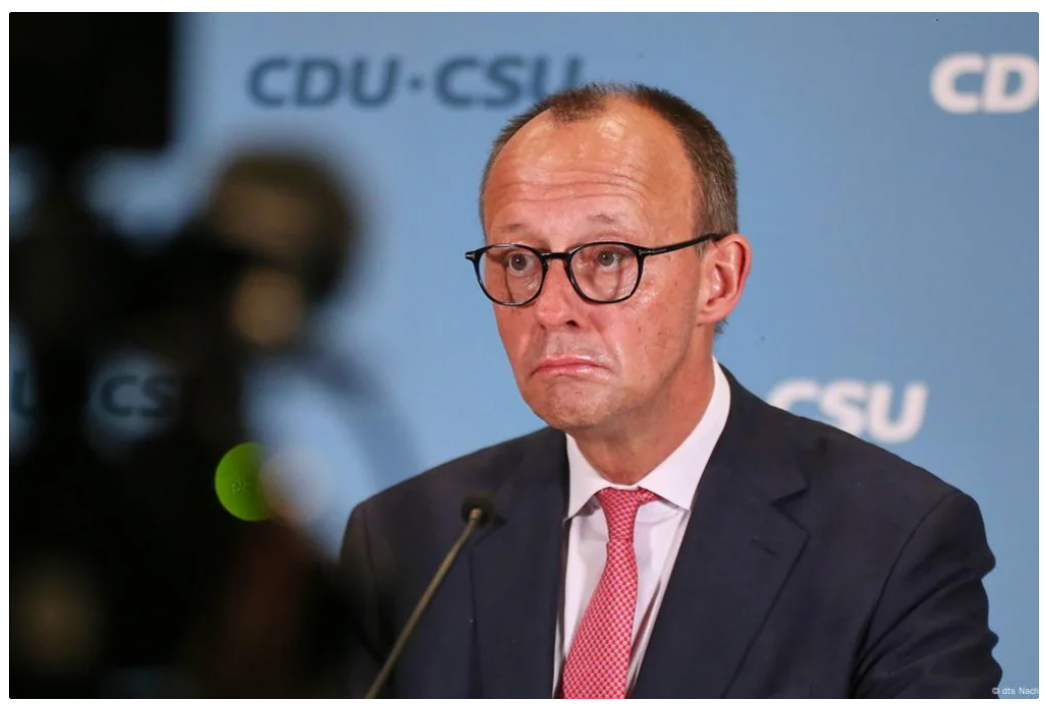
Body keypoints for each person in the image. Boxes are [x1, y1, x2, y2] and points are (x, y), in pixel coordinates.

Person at [340, 82, 1001, 698]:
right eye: (518, 260)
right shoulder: (409, 542)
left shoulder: (893, 540)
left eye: (608, 257)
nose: (551, 308)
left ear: (719, 279)